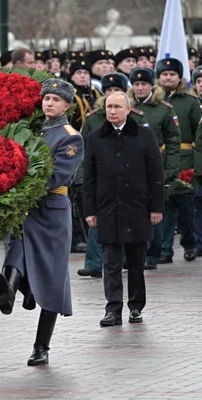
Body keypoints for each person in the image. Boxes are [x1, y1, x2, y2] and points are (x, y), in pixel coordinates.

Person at [0, 78, 83, 366]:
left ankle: (41, 346)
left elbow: (57, 175)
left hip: (52, 209)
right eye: (46, 98)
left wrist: (20, 185)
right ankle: (8, 290)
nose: (49, 103)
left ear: (67, 105)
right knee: (16, 250)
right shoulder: (30, 131)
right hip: (25, 207)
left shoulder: (70, 136)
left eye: (56, 99)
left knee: (53, 276)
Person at [83, 92, 164, 326]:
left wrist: (156, 208)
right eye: (109, 106)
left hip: (137, 207)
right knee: (110, 261)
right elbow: (89, 178)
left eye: (117, 106)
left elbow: (155, 175)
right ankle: (113, 308)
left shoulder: (144, 135)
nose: (112, 111)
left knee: (136, 261)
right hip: (108, 208)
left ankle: (136, 306)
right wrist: (90, 210)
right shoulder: (96, 137)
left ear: (129, 109)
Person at [77, 72, 149, 278]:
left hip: (129, 183)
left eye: (117, 92)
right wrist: (82, 178)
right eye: (108, 92)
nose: (112, 102)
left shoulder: (136, 120)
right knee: (96, 224)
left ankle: (127, 259)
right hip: (102, 184)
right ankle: (94, 262)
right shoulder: (93, 120)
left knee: (128, 226)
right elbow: (85, 153)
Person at [128, 68, 181, 269]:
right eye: (136, 84)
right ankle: (134, 253)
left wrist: (172, 169)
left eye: (144, 84)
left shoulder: (164, 109)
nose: (140, 88)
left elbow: (174, 142)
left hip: (156, 164)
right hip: (130, 165)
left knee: (155, 210)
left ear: (152, 85)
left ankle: (154, 253)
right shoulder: (126, 106)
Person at [157, 58, 201, 263]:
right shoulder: (153, 102)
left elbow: (197, 134)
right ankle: (165, 250)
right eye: (164, 74)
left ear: (179, 77)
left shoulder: (190, 102)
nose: (168, 77)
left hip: (185, 160)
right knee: (165, 207)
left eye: (172, 74)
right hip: (160, 160)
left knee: (185, 208)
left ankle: (190, 243)